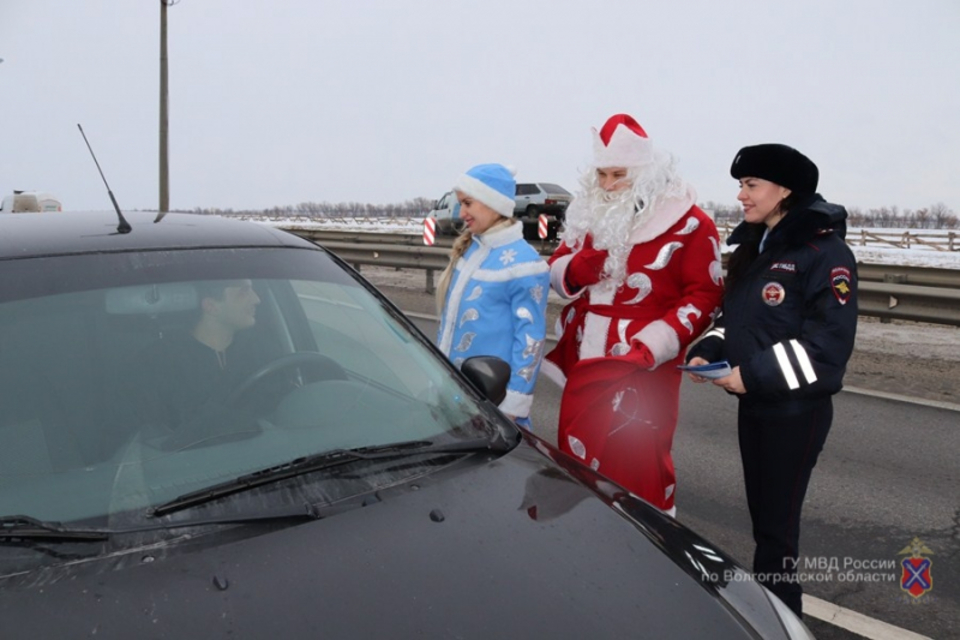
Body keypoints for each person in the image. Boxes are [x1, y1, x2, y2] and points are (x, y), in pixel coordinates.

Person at [685, 143, 858, 617]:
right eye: (740, 185)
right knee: (765, 525)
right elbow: (738, 321)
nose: (741, 195)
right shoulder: (757, 248)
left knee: (777, 532)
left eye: (751, 184)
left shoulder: (825, 254)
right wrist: (710, 349)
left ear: (784, 190)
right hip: (756, 402)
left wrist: (752, 374)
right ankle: (772, 612)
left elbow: (827, 349)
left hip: (795, 412)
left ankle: (784, 619)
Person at [541, 114, 723, 516]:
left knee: (638, 457)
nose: (607, 185)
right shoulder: (588, 216)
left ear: (644, 172)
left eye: (618, 174)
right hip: (586, 361)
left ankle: (648, 538)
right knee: (579, 449)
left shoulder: (690, 223)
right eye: (601, 174)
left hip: (644, 363)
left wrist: (656, 342)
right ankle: (585, 530)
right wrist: (574, 269)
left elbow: (706, 292)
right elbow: (555, 271)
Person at [436, 163, 550, 430]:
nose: (461, 212)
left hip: (493, 405)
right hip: (455, 395)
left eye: (468, 203)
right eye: (460, 203)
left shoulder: (524, 265)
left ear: (492, 203)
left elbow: (530, 340)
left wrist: (511, 408)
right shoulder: (470, 251)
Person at [132, 279, 275, 448]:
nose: (257, 299)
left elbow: (282, 411)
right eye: (244, 291)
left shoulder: (262, 351)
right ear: (211, 306)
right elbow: (154, 431)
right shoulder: (157, 362)